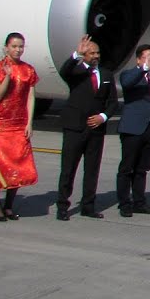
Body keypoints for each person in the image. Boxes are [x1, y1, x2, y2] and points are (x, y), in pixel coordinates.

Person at [55, 35, 117, 220]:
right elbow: (65, 71)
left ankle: (88, 205)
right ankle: (63, 206)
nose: (96, 56)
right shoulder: (76, 72)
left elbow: (112, 102)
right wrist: (76, 54)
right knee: (68, 169)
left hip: (96, 130)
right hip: (75, 127)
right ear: (85, 54)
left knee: (92, 169)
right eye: (92, 53)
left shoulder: (106, 74)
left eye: (97, 52)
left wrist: (103, 117)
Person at [0, 32, 38, 220]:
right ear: (6, 47)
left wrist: (29, 122)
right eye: (14, 46)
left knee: (18, 165)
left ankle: (9, 205)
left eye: (21, 46)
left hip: (18, 123)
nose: (18, 50)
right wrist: (7, 76)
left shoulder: (28, 70)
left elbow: (30, 97)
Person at [116, 44, 150, 217]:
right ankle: (124, 203)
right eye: (148, 56)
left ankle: (139, 201)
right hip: (133, 127)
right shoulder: (130, 74)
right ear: (139, 59)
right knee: (127, 167)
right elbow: (127, 84)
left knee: (142, 168)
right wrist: (143, 69)